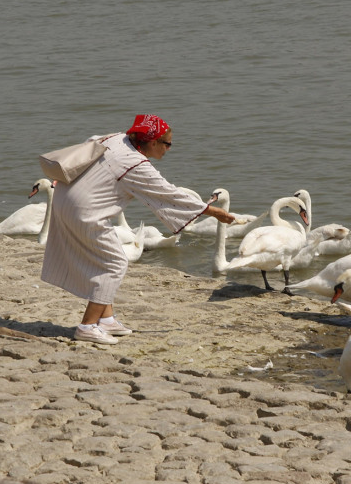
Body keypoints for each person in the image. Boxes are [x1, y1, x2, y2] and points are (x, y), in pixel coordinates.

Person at [41, 114, 235, 345]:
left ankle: (106, 319)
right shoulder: (135, 164)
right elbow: (169, 193)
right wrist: (214, 212)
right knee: (114, 264)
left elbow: (89, 143)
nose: (169, 149)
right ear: (153, 143)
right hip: (83, 212)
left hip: (64, 197)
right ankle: (87, 326)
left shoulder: (114, 138)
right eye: (168, 144)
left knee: (106, 258)